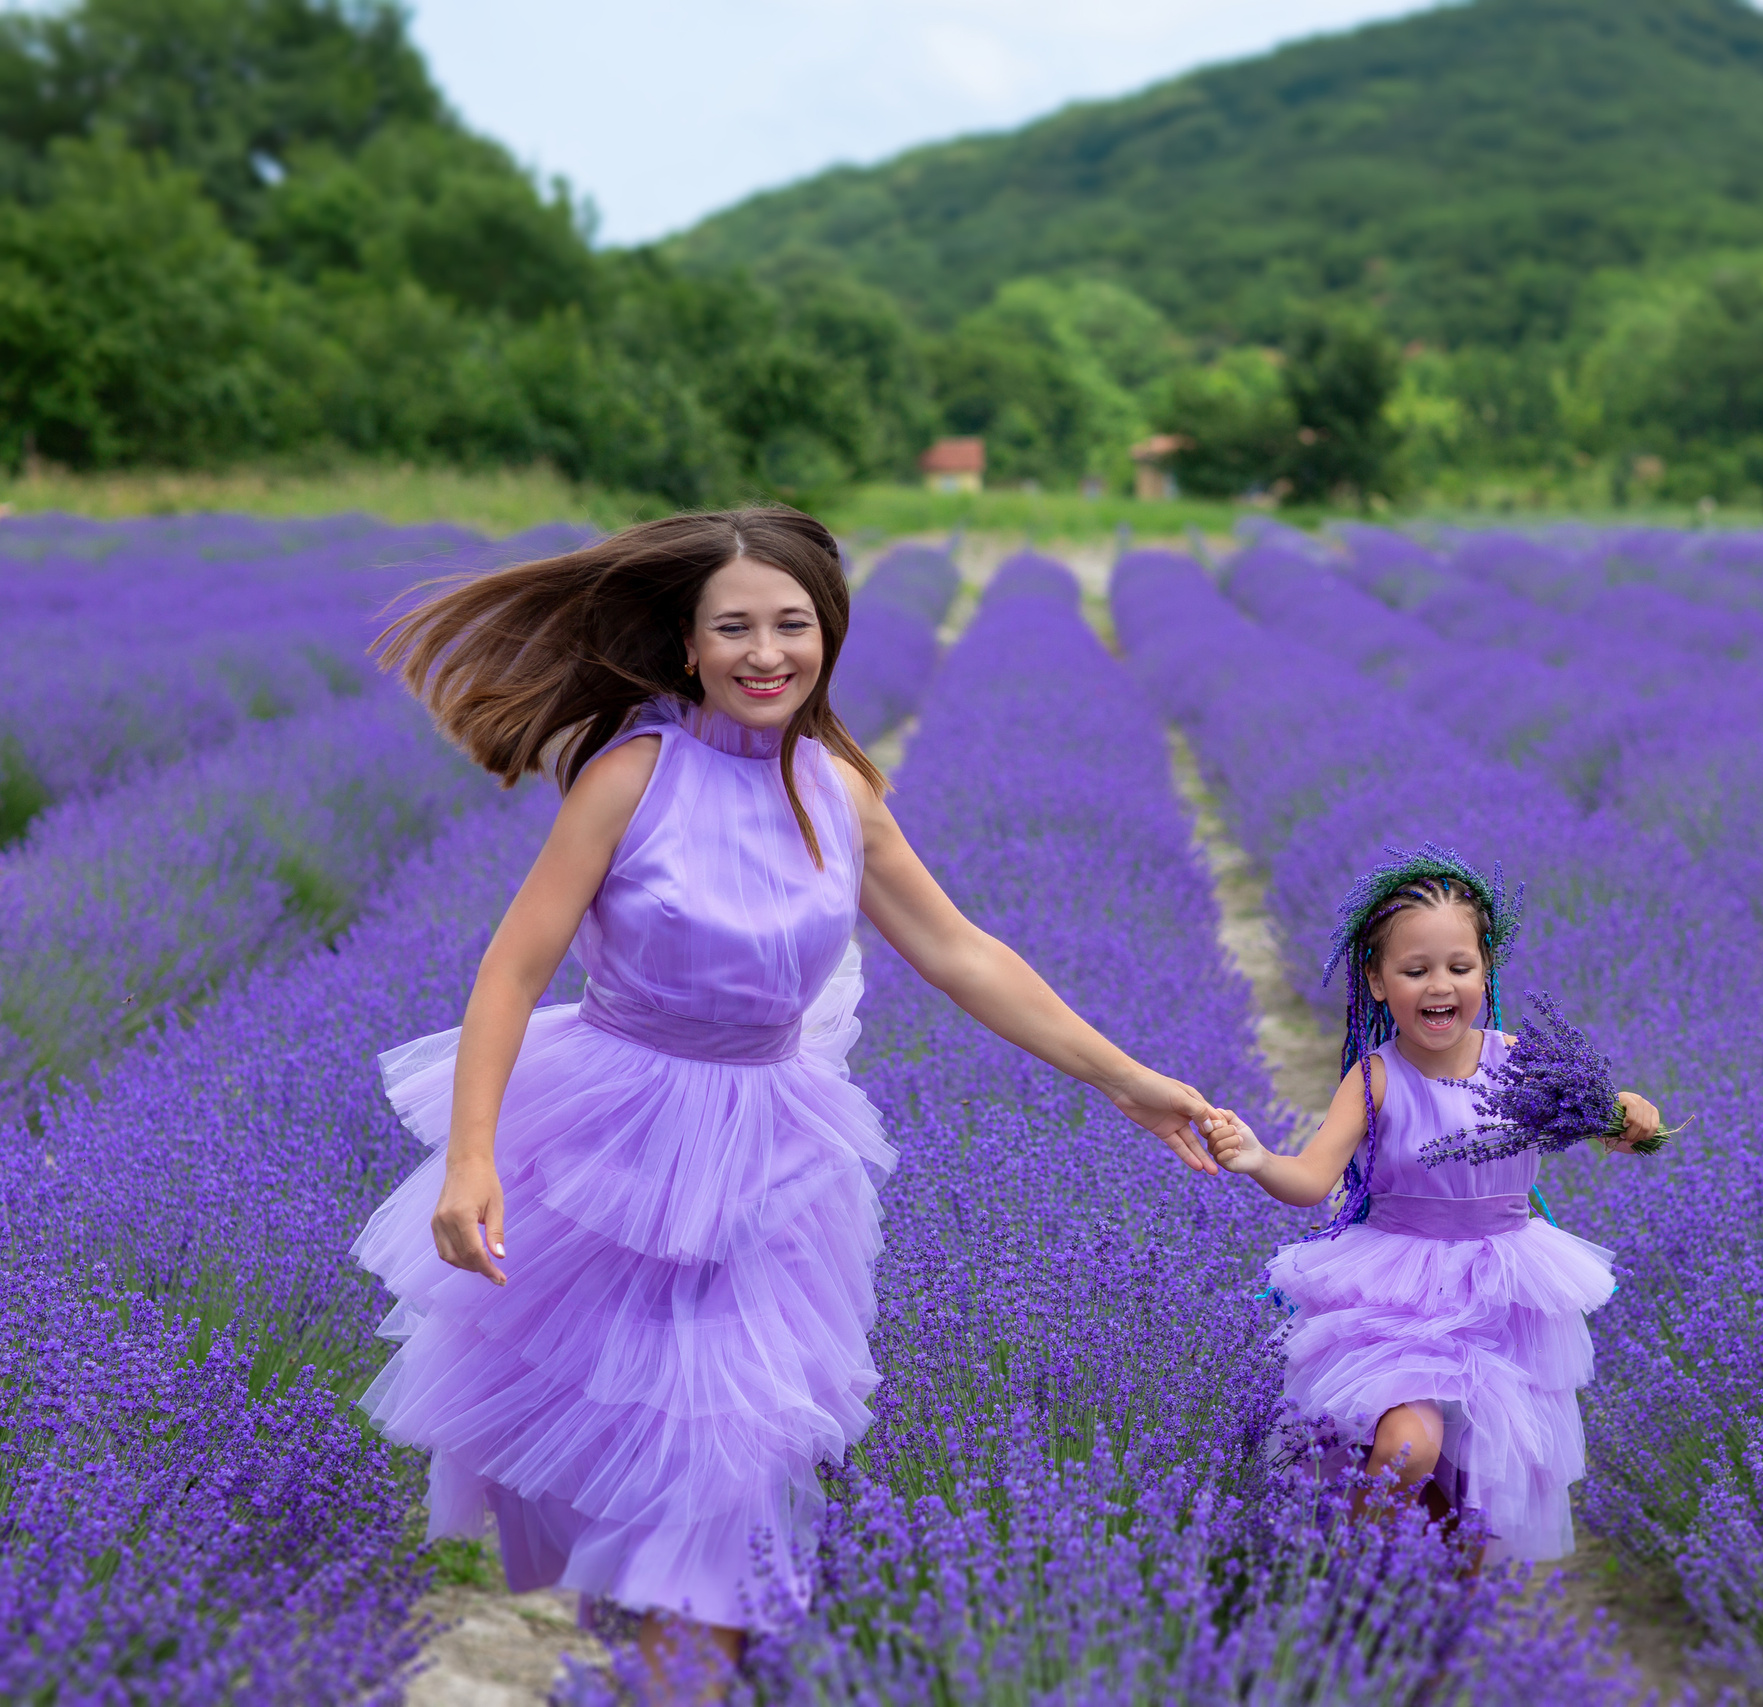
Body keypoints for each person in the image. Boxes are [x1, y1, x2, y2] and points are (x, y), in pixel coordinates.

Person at [349, 509, 1215, 1681]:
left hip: (769, 1159)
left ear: (831, 635)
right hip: (614, 1146)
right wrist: (471, 1157)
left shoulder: (841, 790)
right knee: (656, 1490)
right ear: (689, 646)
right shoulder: (630, 776)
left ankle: (670, 1666)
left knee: (731, 1491)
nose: (768, 654)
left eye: (792, 625)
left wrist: (1132, 1084)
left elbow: (961, 953)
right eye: (736, 628)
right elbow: (513, 968)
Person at [1202, 848, 1661, 1563]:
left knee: (1478, 1496)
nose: (1439, 985)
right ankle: (1344, 1574)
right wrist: (1258, 1158)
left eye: (1459, 966)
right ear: (1378, 981)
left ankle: (1433, 1617)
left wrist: (1634, 1113)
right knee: (1405, 1450)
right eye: (1415, 970)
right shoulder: (1377, 1077)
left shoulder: (1525, 1064)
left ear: (1486, 970)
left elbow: (1618, 1126)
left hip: (1504, 1293)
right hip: (1400, 1292)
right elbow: (1311, 1177)